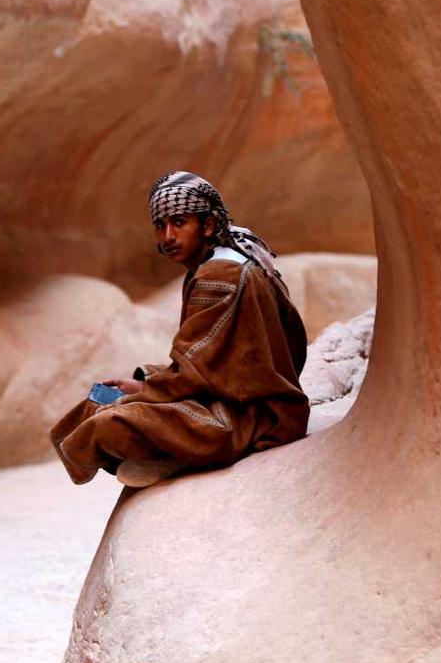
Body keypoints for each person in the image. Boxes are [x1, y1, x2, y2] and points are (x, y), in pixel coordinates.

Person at [49, 171, 310, 488]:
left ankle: (171, 458)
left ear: (209, 225)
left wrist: (142, 395)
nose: (168, 236)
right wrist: (144, 384)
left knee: (106, 421)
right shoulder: (240, 247)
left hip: (253, 418)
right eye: (160, 225)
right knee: (121, 394)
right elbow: (209, 363)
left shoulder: (219, 275)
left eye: (180, 222)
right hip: (250, 398)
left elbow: (191, 372)